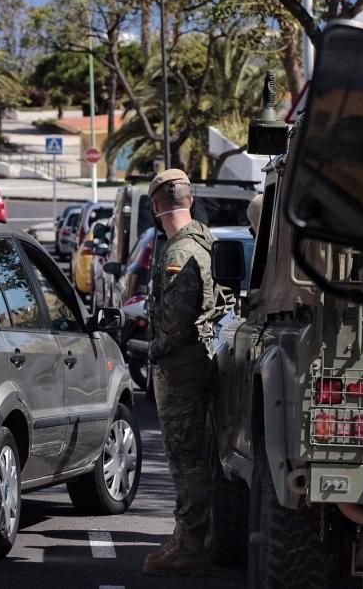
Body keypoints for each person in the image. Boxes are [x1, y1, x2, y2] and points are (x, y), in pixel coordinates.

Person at [142, 168, 233, 577]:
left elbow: (176, 323)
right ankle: (194, 536)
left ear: (157, 205)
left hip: (180, 369)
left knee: (186, 458)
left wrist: (151, 352)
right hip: (201, 361)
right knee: (200, 455)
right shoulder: (204, 239)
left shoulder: (179, 252)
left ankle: (190, 545)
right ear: (190, 199)